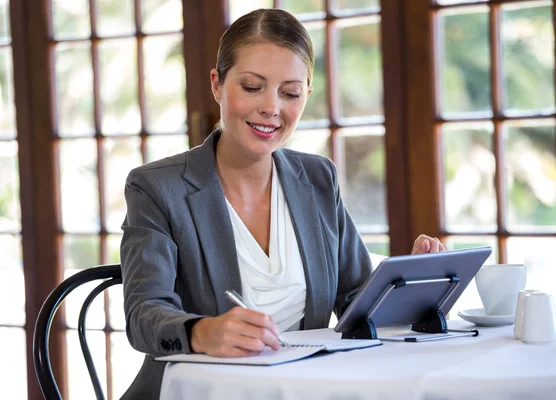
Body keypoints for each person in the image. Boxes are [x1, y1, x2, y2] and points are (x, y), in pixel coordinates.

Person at [119, 8, 446, 399]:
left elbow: (356, 303)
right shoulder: (157, 187)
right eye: (252, 87)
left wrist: (406, 285)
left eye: (289, 93)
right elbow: (143, 314)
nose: (272, 108)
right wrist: (202, 332)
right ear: (217, 85)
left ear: (306, 95)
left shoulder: (318, 179)